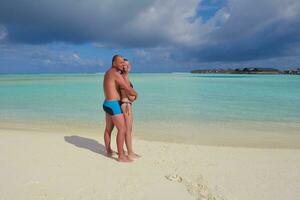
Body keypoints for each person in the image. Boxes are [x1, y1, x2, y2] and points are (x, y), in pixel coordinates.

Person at [102, 55, 138, 162]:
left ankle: (108, 151)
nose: (122, 64)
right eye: (120, 62)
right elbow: (128, 89)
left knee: (109, 129)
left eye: (123, 62)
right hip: (113, 104)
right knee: (122, 129)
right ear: (114, 63)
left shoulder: (108, 73)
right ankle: (121, 156)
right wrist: (136, 94)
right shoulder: (115, 74)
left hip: (107, 103)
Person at [120, 59, 140, 160]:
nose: (127, 66)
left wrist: (133, 96)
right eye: (124, 65)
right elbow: (130, 95)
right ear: (121, 67)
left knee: (127, 129)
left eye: (128, 64)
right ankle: (130, 153)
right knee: (128, 130)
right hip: (126, 104)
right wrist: (135, 96)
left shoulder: (125, 77)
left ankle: (126, 150)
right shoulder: (123, 78)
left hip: (126, 104)